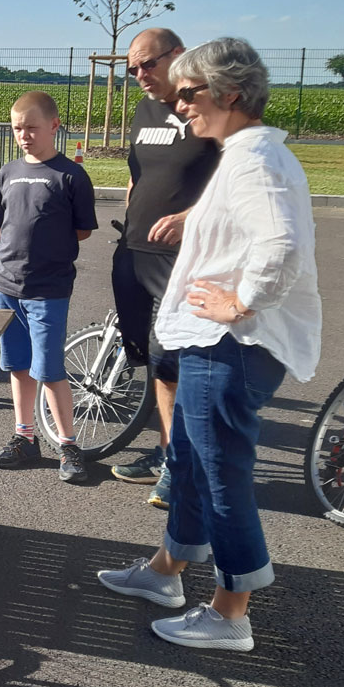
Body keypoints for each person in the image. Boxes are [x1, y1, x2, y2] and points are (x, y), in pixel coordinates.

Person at [98, 37, 320, 652]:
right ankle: (166, 572)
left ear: (229, 93)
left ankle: (230, 613)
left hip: (233, 343)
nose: (181, 104)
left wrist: (240, 302)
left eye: (190, 93)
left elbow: (281, 248)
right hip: (212, 340)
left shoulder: (255, 161)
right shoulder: (243, 155)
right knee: (192, 462)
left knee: (222, 475)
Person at [108, 28, 221, 510]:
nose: (139, 76)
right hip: (134, 250)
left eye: (147, 65)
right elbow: (140, 173)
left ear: (178, 56)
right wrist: (131, 218)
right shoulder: (146, 107)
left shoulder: (208, 109)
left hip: (185, 260)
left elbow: (235, 186)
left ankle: (179, 468)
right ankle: (164, 452)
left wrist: (190, 217)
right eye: (131, 69)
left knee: (173, 360)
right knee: (152, 361)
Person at [0, 92, 97, 482]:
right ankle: (24, 437)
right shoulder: (8, 172)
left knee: (49, 369)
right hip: (7, 286)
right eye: (17, 128)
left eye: (32, 127)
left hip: (48, 290)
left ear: (54, 126)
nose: (24, 135)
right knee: (17, 366)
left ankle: (68, 445)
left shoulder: (70, 176)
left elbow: (82, 229)